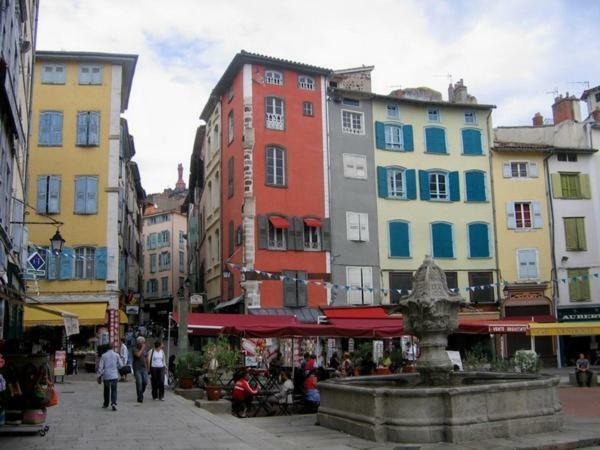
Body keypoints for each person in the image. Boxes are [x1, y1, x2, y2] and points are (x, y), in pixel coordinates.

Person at [97, 344, 123, 411]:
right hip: (114, 375)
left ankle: (106, 404)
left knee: (106, 390)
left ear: (106, 348)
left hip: (106, 375)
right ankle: (113, 403)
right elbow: (121, 365)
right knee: (114, 390)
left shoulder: (103, 355)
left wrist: (99, 376)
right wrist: (116, 366)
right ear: (113, 348)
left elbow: (100, 367)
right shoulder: (116, 355)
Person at [132, 336, 149, 403]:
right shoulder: (134, 349)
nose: (143, 344)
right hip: (137, 368)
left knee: (145, 382)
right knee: (139, 383)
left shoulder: (145, 349)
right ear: (138, 343)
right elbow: (138, 355)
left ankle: (140, 393)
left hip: (144, 368)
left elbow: (147, 358)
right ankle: (140, 397)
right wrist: (142, 348)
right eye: (142, 342)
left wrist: (148, 367)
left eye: (143, 342)